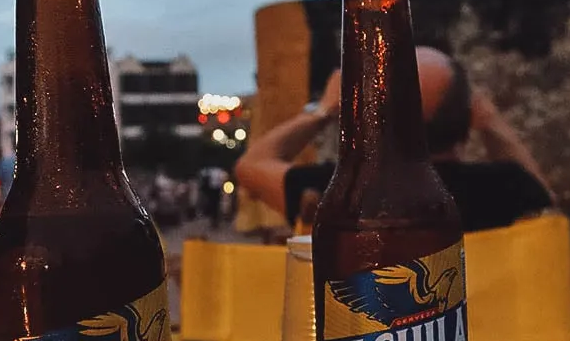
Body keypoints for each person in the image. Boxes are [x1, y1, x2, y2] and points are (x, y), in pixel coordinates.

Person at [235, 46, 553, 233]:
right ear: (469, 118)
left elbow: (251, 165)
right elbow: (550, 220)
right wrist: (493, 123)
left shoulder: (335, 191)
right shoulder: (510, 188)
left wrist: (323, 112)